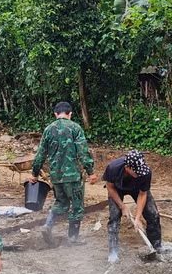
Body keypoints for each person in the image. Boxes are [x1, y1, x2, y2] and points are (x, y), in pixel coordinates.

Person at [29, 101, 96, 245]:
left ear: (55, 114)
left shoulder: (48, 129)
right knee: (77, 206)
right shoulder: (75, 128)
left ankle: (48, 225)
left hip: (56, 176)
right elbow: (83, 152)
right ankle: (73, 238)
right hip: (72, 176)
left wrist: (34, 173)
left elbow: (40, 154)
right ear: (70, 114)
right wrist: (90, 172)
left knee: (61, 202)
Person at [103, 150, 161, 263]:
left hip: (137, 189)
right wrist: (122, 206)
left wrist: (138, 217)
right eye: (136, 171)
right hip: (117, 189)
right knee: (114, 218)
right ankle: (113, 253)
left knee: (153, 214)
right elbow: (110, 187)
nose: (140, 173)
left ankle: (156, 247)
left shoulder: (145, 172)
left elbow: (143, 194)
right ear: (127, 168)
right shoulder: (113, 168)